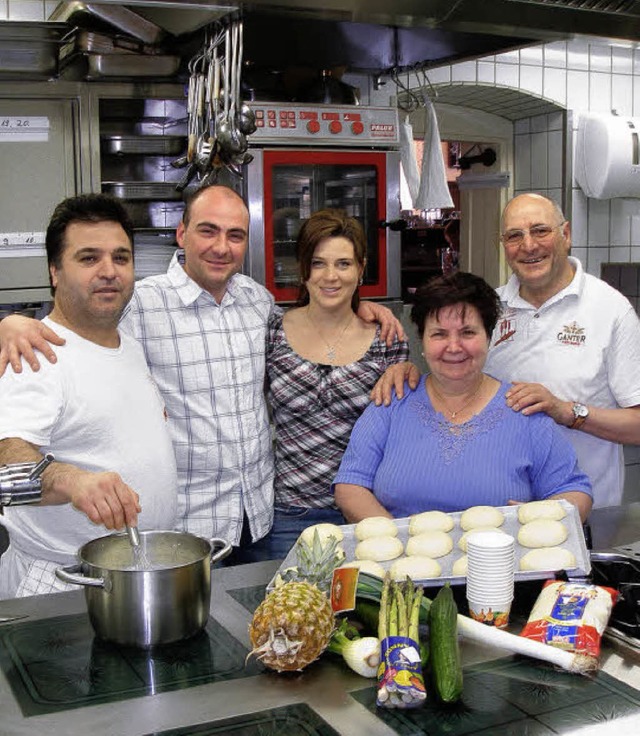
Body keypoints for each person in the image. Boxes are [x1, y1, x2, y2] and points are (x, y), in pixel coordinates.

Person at [0, 185, 404, 562]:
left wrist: (367, 312)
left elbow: (314, 330)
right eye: (208, 231)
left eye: (235, 235)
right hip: (189, 532)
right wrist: (14, 324)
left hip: (260, 520)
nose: (221, 247)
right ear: (182, 233)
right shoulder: (139, 302)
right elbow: (78, 321)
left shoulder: (257, 301)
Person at [372, 194, 640, 509]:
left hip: (581, 510)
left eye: (540, 231)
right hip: (497, 512)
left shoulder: (610, 310)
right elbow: (452, 371)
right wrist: (408, 371)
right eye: (515, 236)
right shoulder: (490, 309)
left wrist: (566, 411)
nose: (528, 246)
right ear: (504, 245)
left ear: (565, 234)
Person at [0, 194, 177, 597]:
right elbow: (4, 462)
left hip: (131, 573)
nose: (109, 271)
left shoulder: (126, 345)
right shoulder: (37, 352)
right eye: (88, 258)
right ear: (55, 272)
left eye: (121, 257)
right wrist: (71, 479)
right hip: (64, 578)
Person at [334, 271, 592, 523]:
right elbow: (350, 486)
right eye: (439, 334)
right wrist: (397, 540)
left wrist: (539, 519)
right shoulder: (393, 400)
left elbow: (576, 491)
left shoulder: (523, 408)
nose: (454, 347)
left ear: (489, 337)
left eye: (468, 333)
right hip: (399, 563)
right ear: (422, 341)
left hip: (499, 562)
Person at [247, 210, 409, 559]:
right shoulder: (271, 328)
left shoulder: (388, 340)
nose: (330, 276)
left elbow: (400, 433)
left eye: (343, 264)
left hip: (362, 515)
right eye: (318, 264)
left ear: (361, 269)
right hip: (288, 516)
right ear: (303, 269)